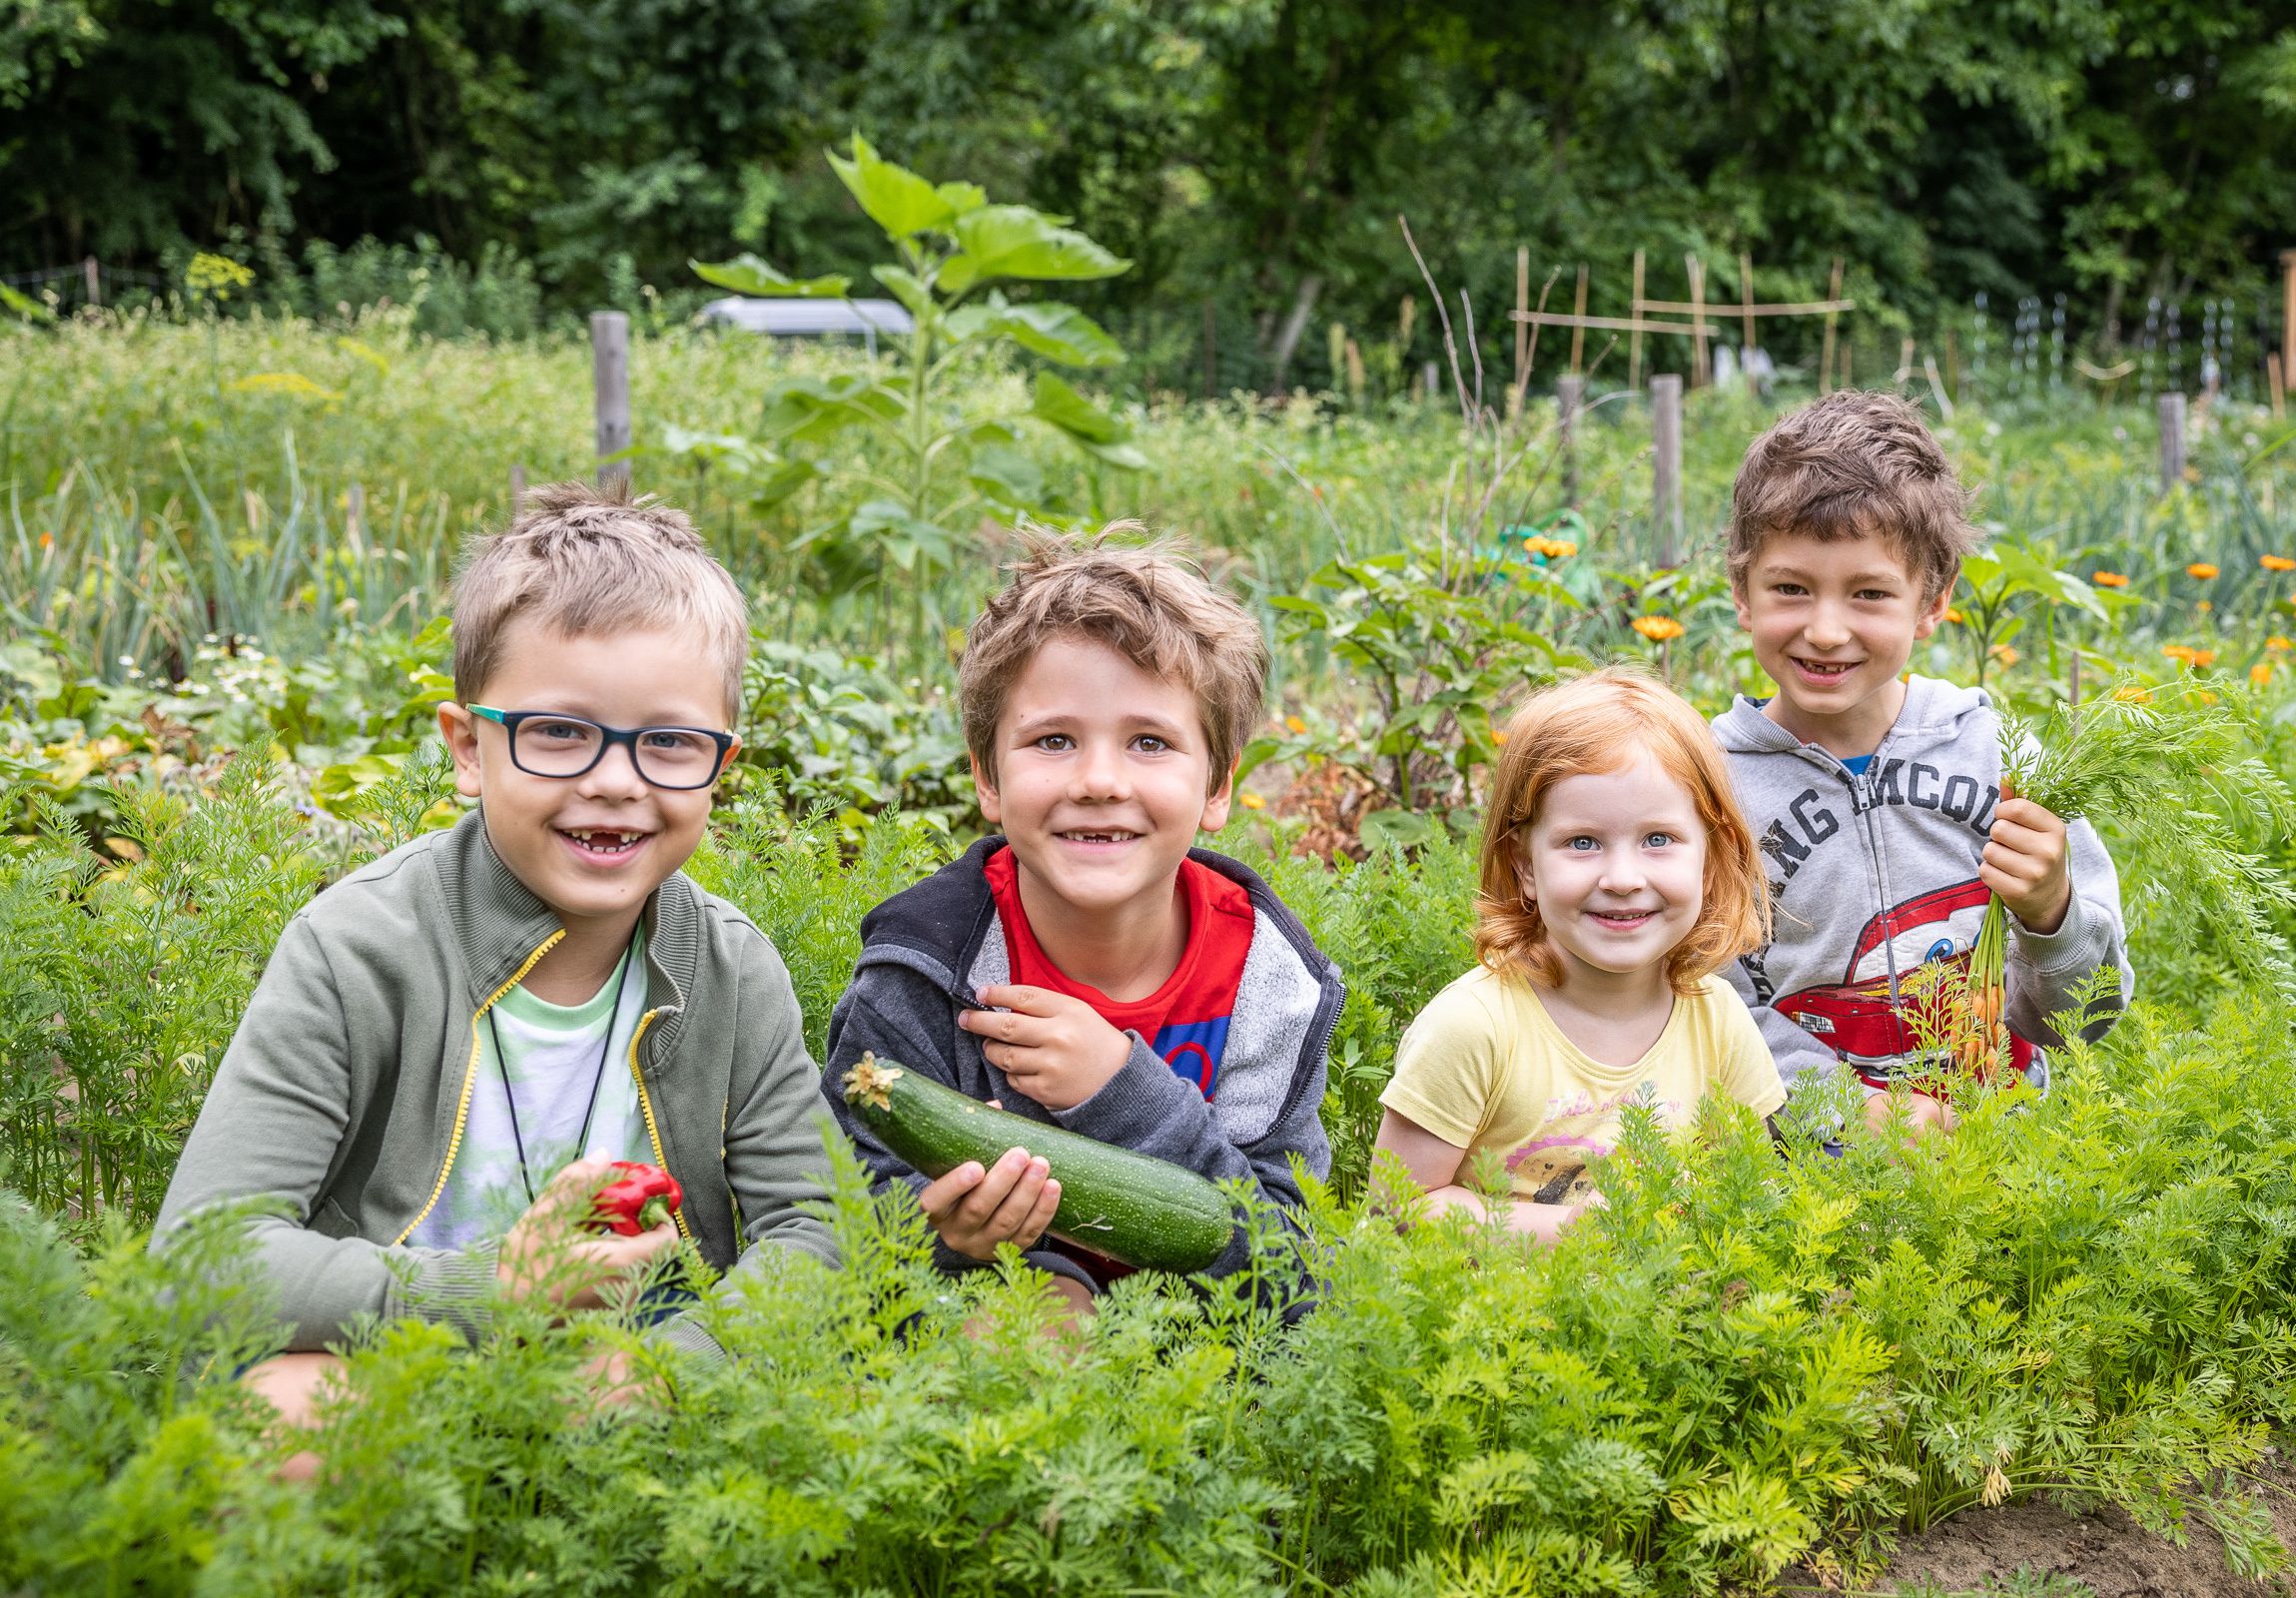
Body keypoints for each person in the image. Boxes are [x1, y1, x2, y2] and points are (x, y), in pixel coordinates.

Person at [153, 480, 841, 1447]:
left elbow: (814, 1235)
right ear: (469, 749)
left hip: (636, 1392)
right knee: (281, 1418)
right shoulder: (358, 949)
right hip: (400, 1374)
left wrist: (665, 1364)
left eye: (670, 742)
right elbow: (199, 1257)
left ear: (719, 766)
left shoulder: (732, 971)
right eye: (558, 731)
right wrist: (496, 1289)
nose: (615, 781)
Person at [821, 525, 1339, 1312]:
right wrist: (947, 1244)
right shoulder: (921, 973)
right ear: (987, 778)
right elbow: (848, 1222)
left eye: (1150, 742)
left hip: (1208, 1346)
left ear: (1218, 786)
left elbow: (1286, 1269)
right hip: (997, 1324)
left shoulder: (1268, 982)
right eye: (1054, 740)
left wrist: (1124, 1093)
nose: (1100, 779)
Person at [1710, 391, 2130, 1137]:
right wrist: (1854, 1111)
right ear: (1742, 591)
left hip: (2003, 1144)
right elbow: (1710, 1004)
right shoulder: (1708, 785)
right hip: (1812, 1171)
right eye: (1790, 589)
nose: (1826, 629)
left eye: (1869, 593)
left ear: (1933, 601)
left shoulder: (2004, 760)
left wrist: (2051, 913)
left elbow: (2087, 1020)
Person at [1374, 668, 1784, 1240]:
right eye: (1582, 842)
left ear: (1710, 861)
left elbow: (1750, 1191)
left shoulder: (1716, 1017)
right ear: (1524, 864)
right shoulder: (1475, 1026)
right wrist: (1588, 1230)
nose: (1621, 878)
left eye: (1658, 840)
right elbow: (1399, 1209)